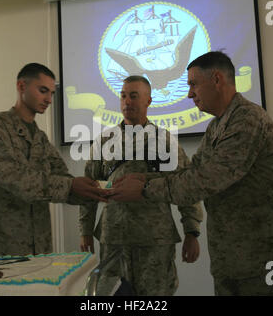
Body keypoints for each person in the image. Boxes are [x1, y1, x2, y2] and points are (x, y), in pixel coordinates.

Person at [108, 52, 273, 296]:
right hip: (232, 262)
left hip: (263, 262)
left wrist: (144, 189)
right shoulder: (217, 126)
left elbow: (204, 181)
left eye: (193, 84)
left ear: (217, 79)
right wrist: (143, 179)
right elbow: (192, 171)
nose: (190, 93)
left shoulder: (248, 121)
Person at [0, 63, 106, 260]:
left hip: (37, 249)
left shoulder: (40, 138)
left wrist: (101, 190)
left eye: (52, 93)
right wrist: (71, 186)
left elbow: (64, 180)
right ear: (21, 86)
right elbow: (14, 178)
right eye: (43, 91)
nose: (48, 99)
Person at [79, 75, 204, 296]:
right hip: (114, 240)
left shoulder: (165, 141)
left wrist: (192, 233)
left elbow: (187, 187)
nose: (127, 102)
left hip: (154, 241)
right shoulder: (105, 142)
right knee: (112, 297)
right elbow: (89, 188)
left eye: (134, 96)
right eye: (124, 96)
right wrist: (85, 231)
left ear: (148, 101)